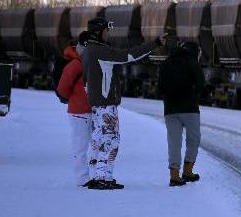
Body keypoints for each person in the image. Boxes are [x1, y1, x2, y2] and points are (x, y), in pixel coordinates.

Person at [81, 17, 163, 190]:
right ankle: (102, 177)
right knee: (111, 140)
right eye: (106, 31)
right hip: (106, 103)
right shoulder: (100, 51)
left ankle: (99, 175)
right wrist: (154, 43)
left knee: (98, 138)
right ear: (98, 32)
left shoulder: (88, 51)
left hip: (97, 104)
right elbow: (129, 56)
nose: (108, 34)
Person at [156, 41, 206, 187]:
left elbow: (159, 88)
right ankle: (188, 171)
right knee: (193, 140)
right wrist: (192, 93)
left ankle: (174, 175)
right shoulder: (192, 62)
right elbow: (201, 84)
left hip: (170, 110)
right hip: (190, 109)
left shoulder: (166, 63)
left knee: (174, 142)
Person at [56, 32, 92, 187]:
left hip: (88, 110)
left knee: (89, 144)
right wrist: (76, 97)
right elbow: (62, 89)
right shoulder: (76, 65)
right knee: (80, 146)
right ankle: (82, 178)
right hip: (78, 112)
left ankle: (91, 176)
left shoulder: (84, 62)